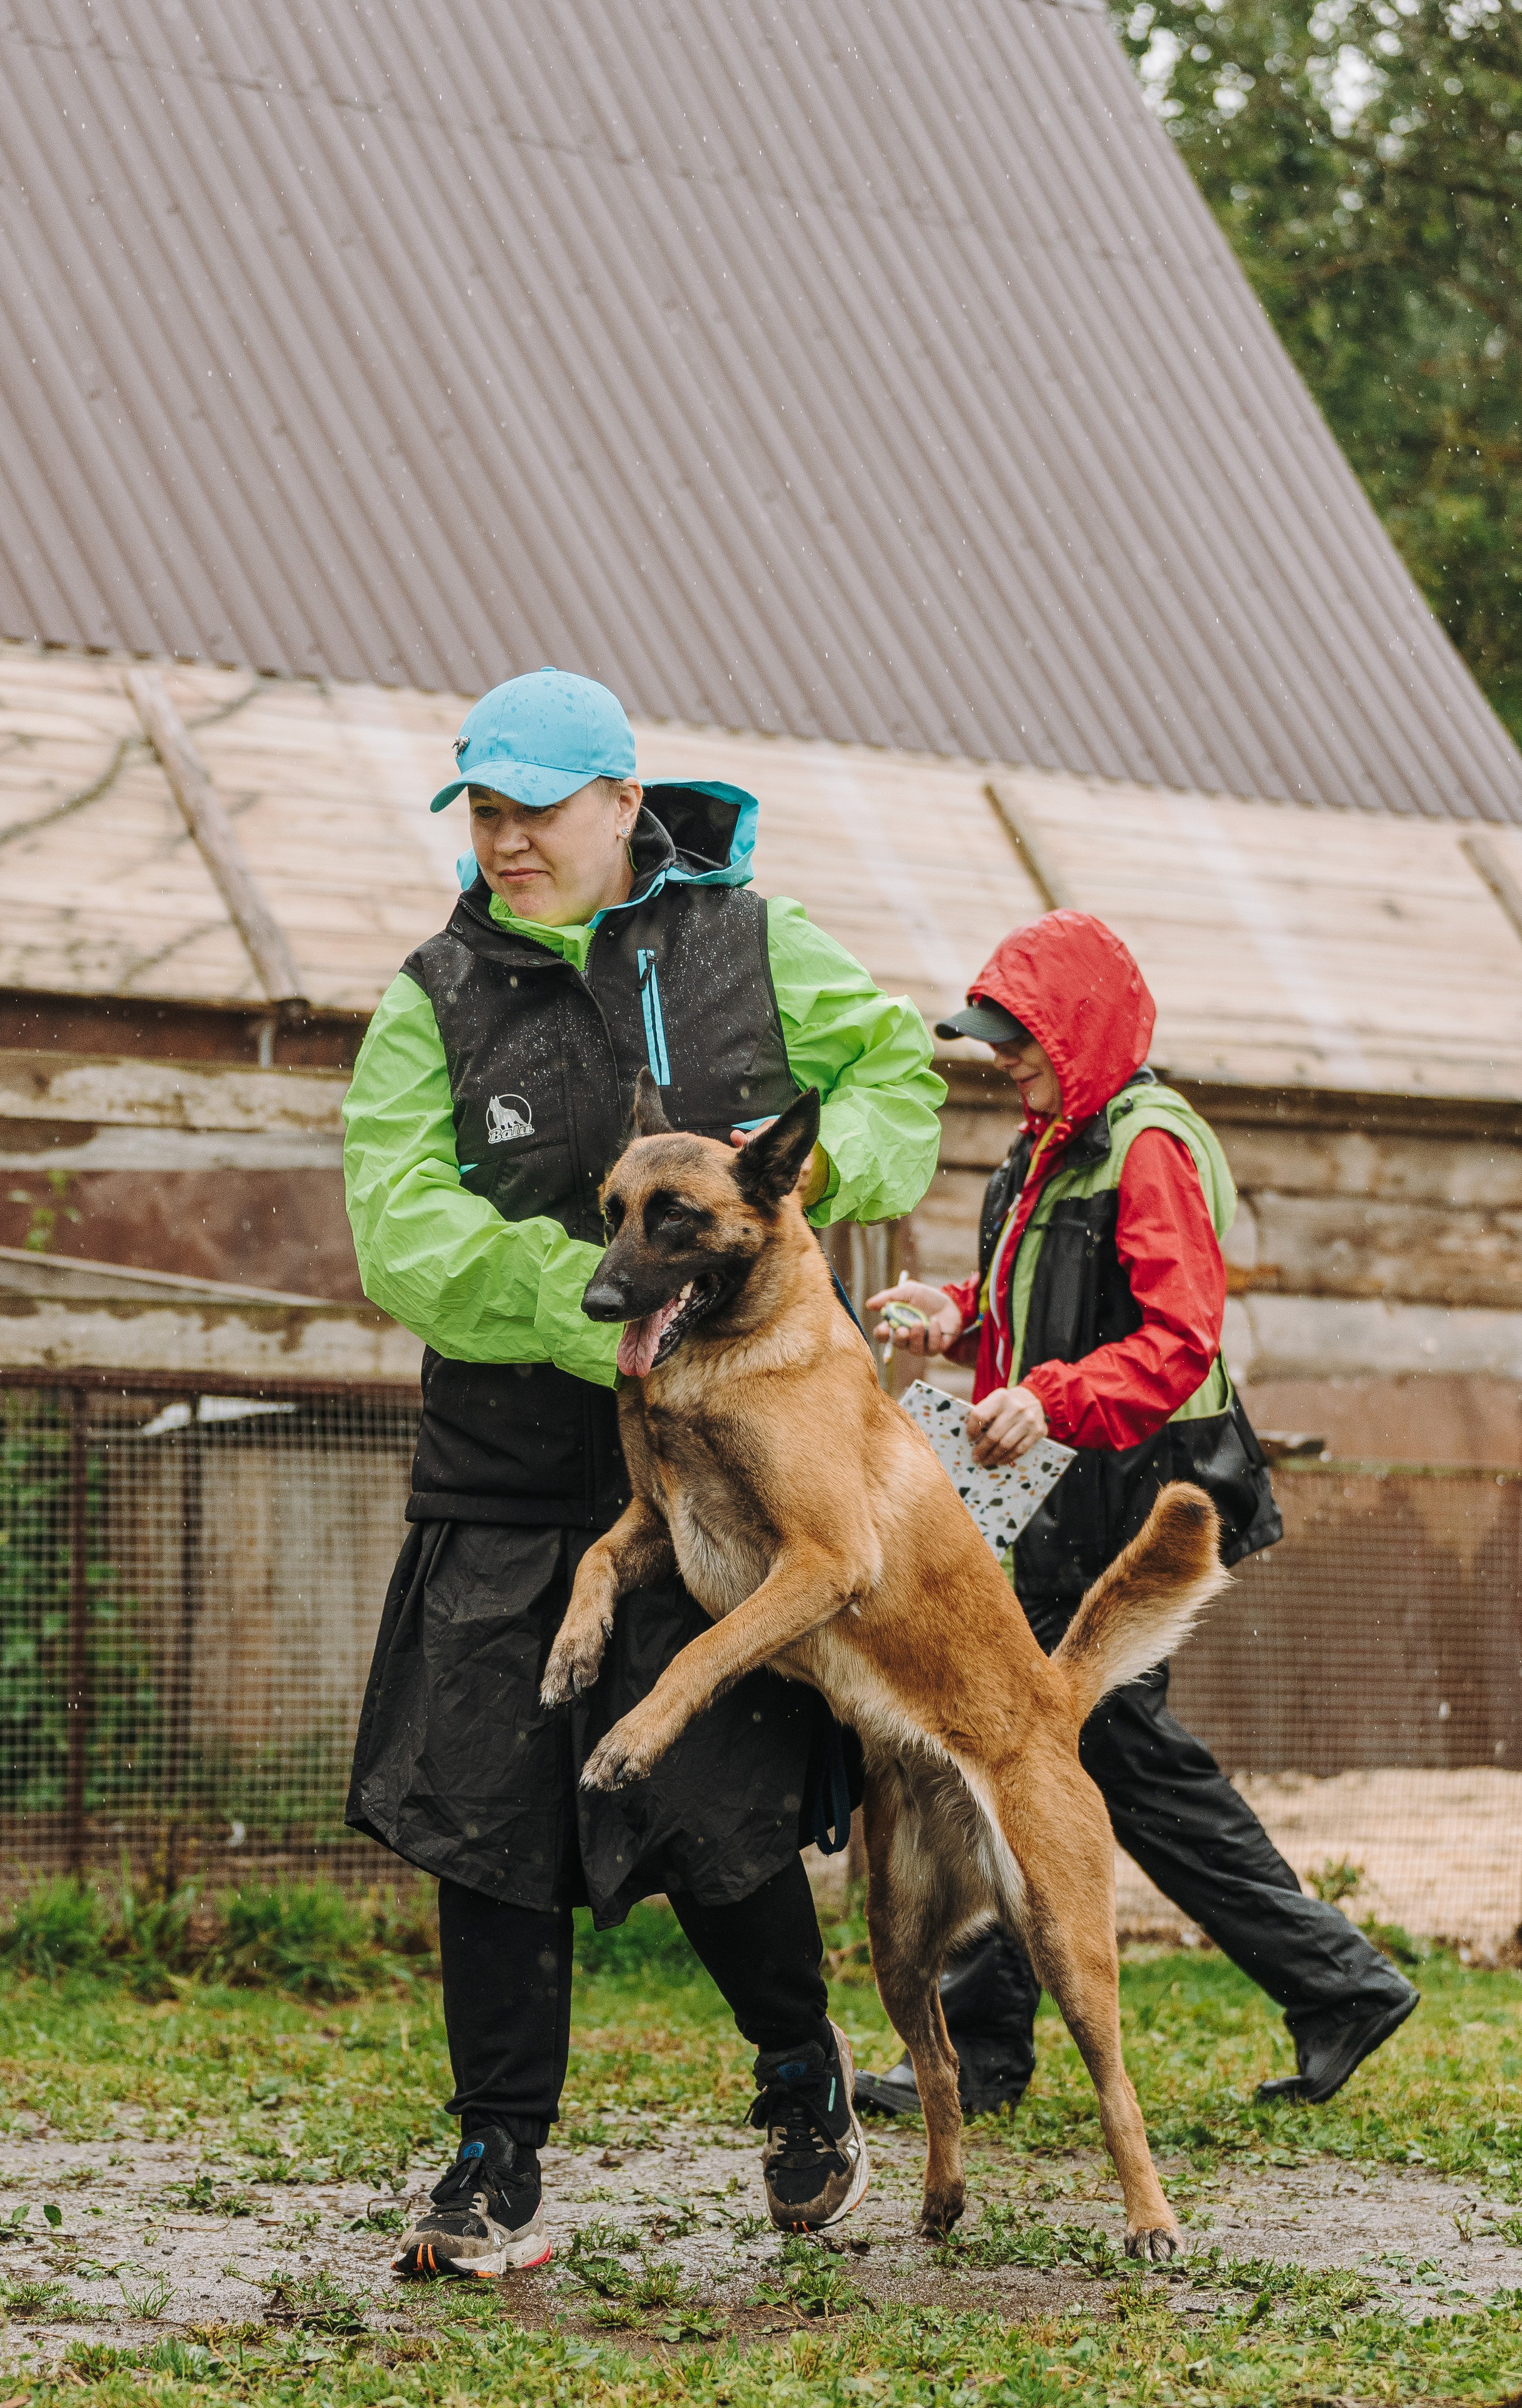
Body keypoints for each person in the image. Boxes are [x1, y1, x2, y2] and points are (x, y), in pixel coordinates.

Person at [343, 668, 943, 2275]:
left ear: (623, 804)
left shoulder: (752, 943)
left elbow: (899, 1077)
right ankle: (494, 2155)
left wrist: (795, 1186)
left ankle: (798, 2074)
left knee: (719, 1808)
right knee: (488, 1815)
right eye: (482, 808)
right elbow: (396, 1220)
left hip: (726, 1481)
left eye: (536, 807)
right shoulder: (434, 992)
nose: (506, 838)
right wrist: (604, 1300)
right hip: (506, 1465)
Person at [859, 910, 1417, 2119]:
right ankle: (1328, 1984)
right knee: (1051, 1741)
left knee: (1053, 1742)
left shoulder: (1146, 1144)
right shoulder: (1047, 1143)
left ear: (1080, 1030)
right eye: (991, 1039)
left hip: (1136, 1481)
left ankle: (1324, 1982)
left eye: (1018, 1038)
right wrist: (955, 1313)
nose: (1000, 1057)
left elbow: (1178, 1341)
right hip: (1069, 1477)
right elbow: (1038, 1299)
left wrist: (1049, 1396)